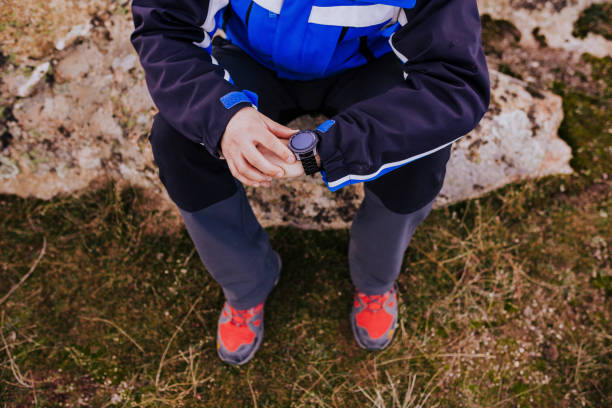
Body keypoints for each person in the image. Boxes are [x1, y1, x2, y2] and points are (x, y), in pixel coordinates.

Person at [131, 0, 490, 365]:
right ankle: (246, 283)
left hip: (367, 65)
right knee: (176, 141)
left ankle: (375, 278)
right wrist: (225, 117)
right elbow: (165, 26)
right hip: (252, 58)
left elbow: (453, 82)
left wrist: (331, 147)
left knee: (423, 152)